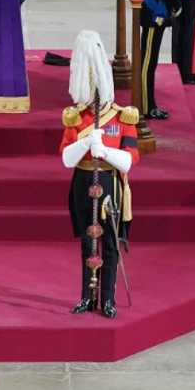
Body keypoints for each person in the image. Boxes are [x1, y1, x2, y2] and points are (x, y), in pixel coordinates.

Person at [60, 30, 137, 319]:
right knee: (86, 242)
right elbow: (67, 159)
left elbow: (129, 161)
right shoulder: (76, 116)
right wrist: (84, 143)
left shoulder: (121, 116)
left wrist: (103, 150)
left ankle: (107, 298)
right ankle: (85, 296)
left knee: (109, 245)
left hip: (110, 183)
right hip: (82, 180)